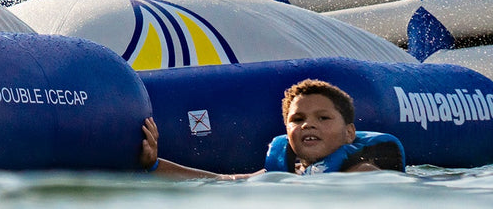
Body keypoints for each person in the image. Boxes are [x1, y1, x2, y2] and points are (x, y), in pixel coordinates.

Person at [138, 79, 405, 178]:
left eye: (323, 118)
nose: (308, 124)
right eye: (297, 119)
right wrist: (153, 164)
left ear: (349, 133)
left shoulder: (363, 173)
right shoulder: (285, 171)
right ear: (287, 132)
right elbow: (218, 181)